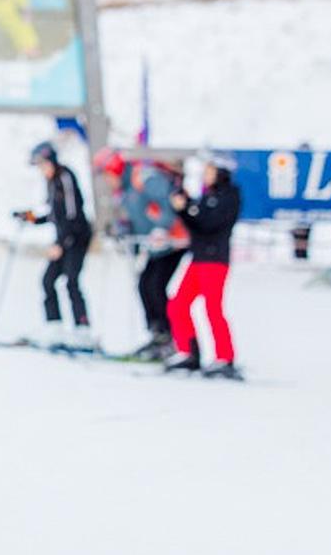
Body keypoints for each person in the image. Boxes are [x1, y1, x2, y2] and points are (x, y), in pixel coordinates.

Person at [94, 149, 186, 360]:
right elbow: (136, 220)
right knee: (145, 284)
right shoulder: (124, 192)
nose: (107, 181)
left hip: (173, 241)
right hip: (155, 246)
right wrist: (123, 231)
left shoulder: (143, 177)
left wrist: (162, 228)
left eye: (107, 174)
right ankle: (157, 334)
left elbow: (169, 203)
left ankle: (169, 337)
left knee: (155, 285)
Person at [165, 152, 241, 379]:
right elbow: (196, 225)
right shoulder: (208, 196)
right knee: (178, 304)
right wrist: (184, 207)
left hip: (215, 261)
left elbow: (209, 224)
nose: (205, 175)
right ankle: (189, 352)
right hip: (198, 258)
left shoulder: (229, 196)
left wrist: (187, 207)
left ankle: (225, 356)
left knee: (213, 309)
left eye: (209, 171)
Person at [20, 141, 93, 345]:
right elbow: (54, 214)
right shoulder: (51, 182)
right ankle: (55, 327)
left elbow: (72, 213)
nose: (41, 170)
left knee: (71, 281)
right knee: (48, 280)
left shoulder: (65, 176)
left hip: (77, 237)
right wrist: (31, 218)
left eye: (42, 165)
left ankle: (83, 329)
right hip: (63, 238)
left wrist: (61, 243)